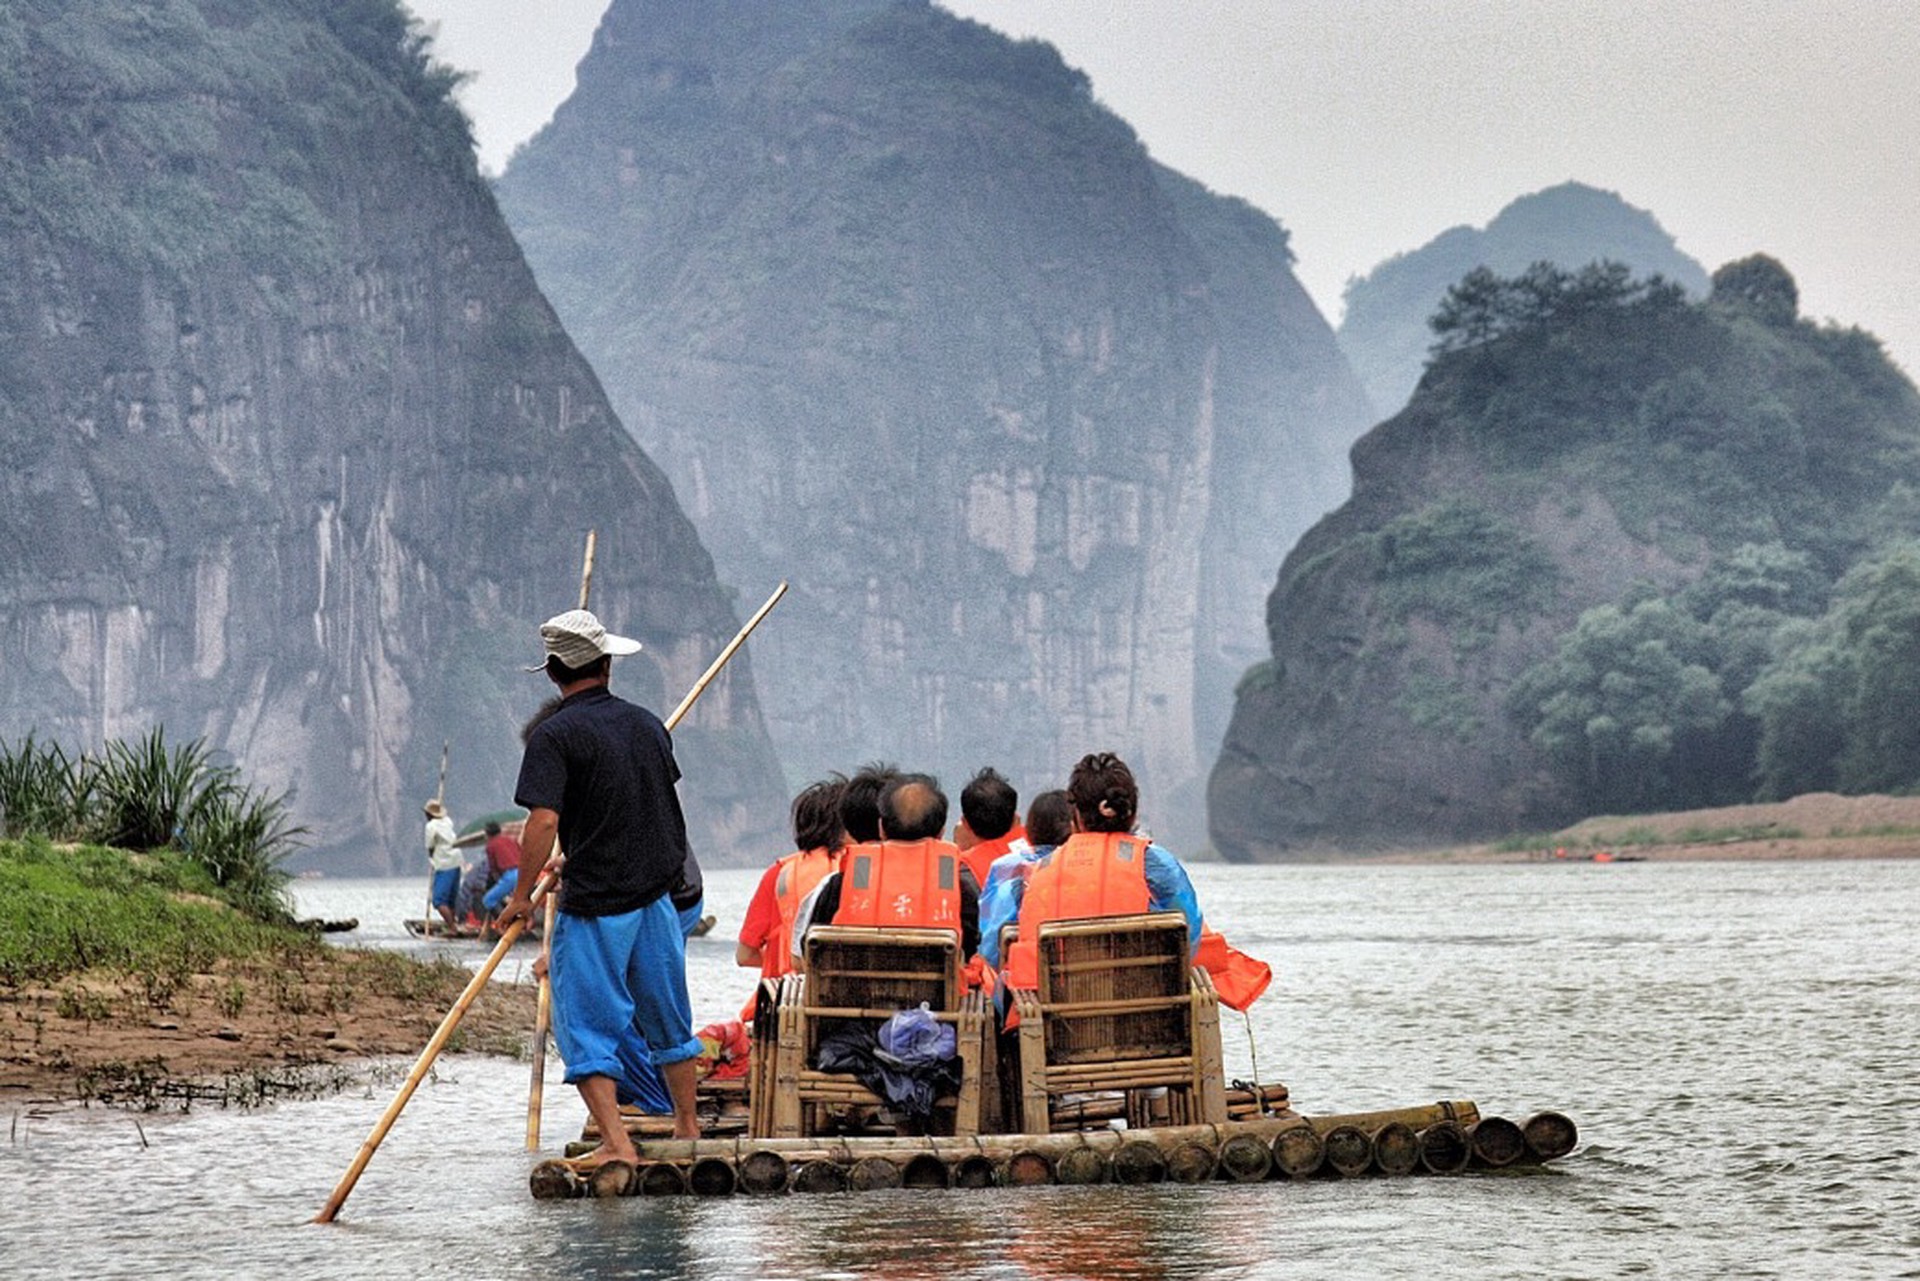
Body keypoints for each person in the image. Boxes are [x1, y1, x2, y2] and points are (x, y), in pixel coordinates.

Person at [496, 607, 704, 1159]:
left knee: (586, 1029)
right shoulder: (647, 726)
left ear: (551, 671)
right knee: (669, 1021)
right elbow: (642, 807)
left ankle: (618, 1144)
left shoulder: (554, 736)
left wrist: (520, 899)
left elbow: (543, 822)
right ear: (607, 664)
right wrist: (577, 855)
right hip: (657, 900)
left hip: (596, 909)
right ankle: (688, 1129)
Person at [1001, 753, 1204, 994]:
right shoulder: (1157, 865)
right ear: (1133, 814)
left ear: (1075, 817)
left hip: (1061, 1016)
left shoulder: (1038, 872)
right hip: (1147, 1006)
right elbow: (1190, 936)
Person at [793, 772, 981, 969]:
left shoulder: (841, 885)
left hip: (848, 997)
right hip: (935, 998)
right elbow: (967, 950)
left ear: (881, 827)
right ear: (941, 831)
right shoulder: (957, 889)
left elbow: (810, 948)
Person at [736, 778, 846, 997]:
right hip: (842, 994)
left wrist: (778, 956)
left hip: (785, 998)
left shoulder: (780, 873)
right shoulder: (865, 871)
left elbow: (744, 956)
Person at [978, 788, 1070, 970]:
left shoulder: (1003, 869)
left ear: (1028, 831)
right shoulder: (1091, 870)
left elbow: (989, 948)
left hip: (1022, 986)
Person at [953, 766, 1029, 889]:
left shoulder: (960, 871)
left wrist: (957, 848)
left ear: (965, 823)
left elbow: (944, 895)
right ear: (1016, 819)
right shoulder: (1041, 846)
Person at [423, 799, 462, 930]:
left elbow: (430, 846)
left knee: (439, 900)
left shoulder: (431, 826)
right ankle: (453, 922)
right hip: (456, 860)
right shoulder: (447, 821)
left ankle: (452, 927)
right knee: (451, 898)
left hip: (444, 863)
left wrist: (431, 858)